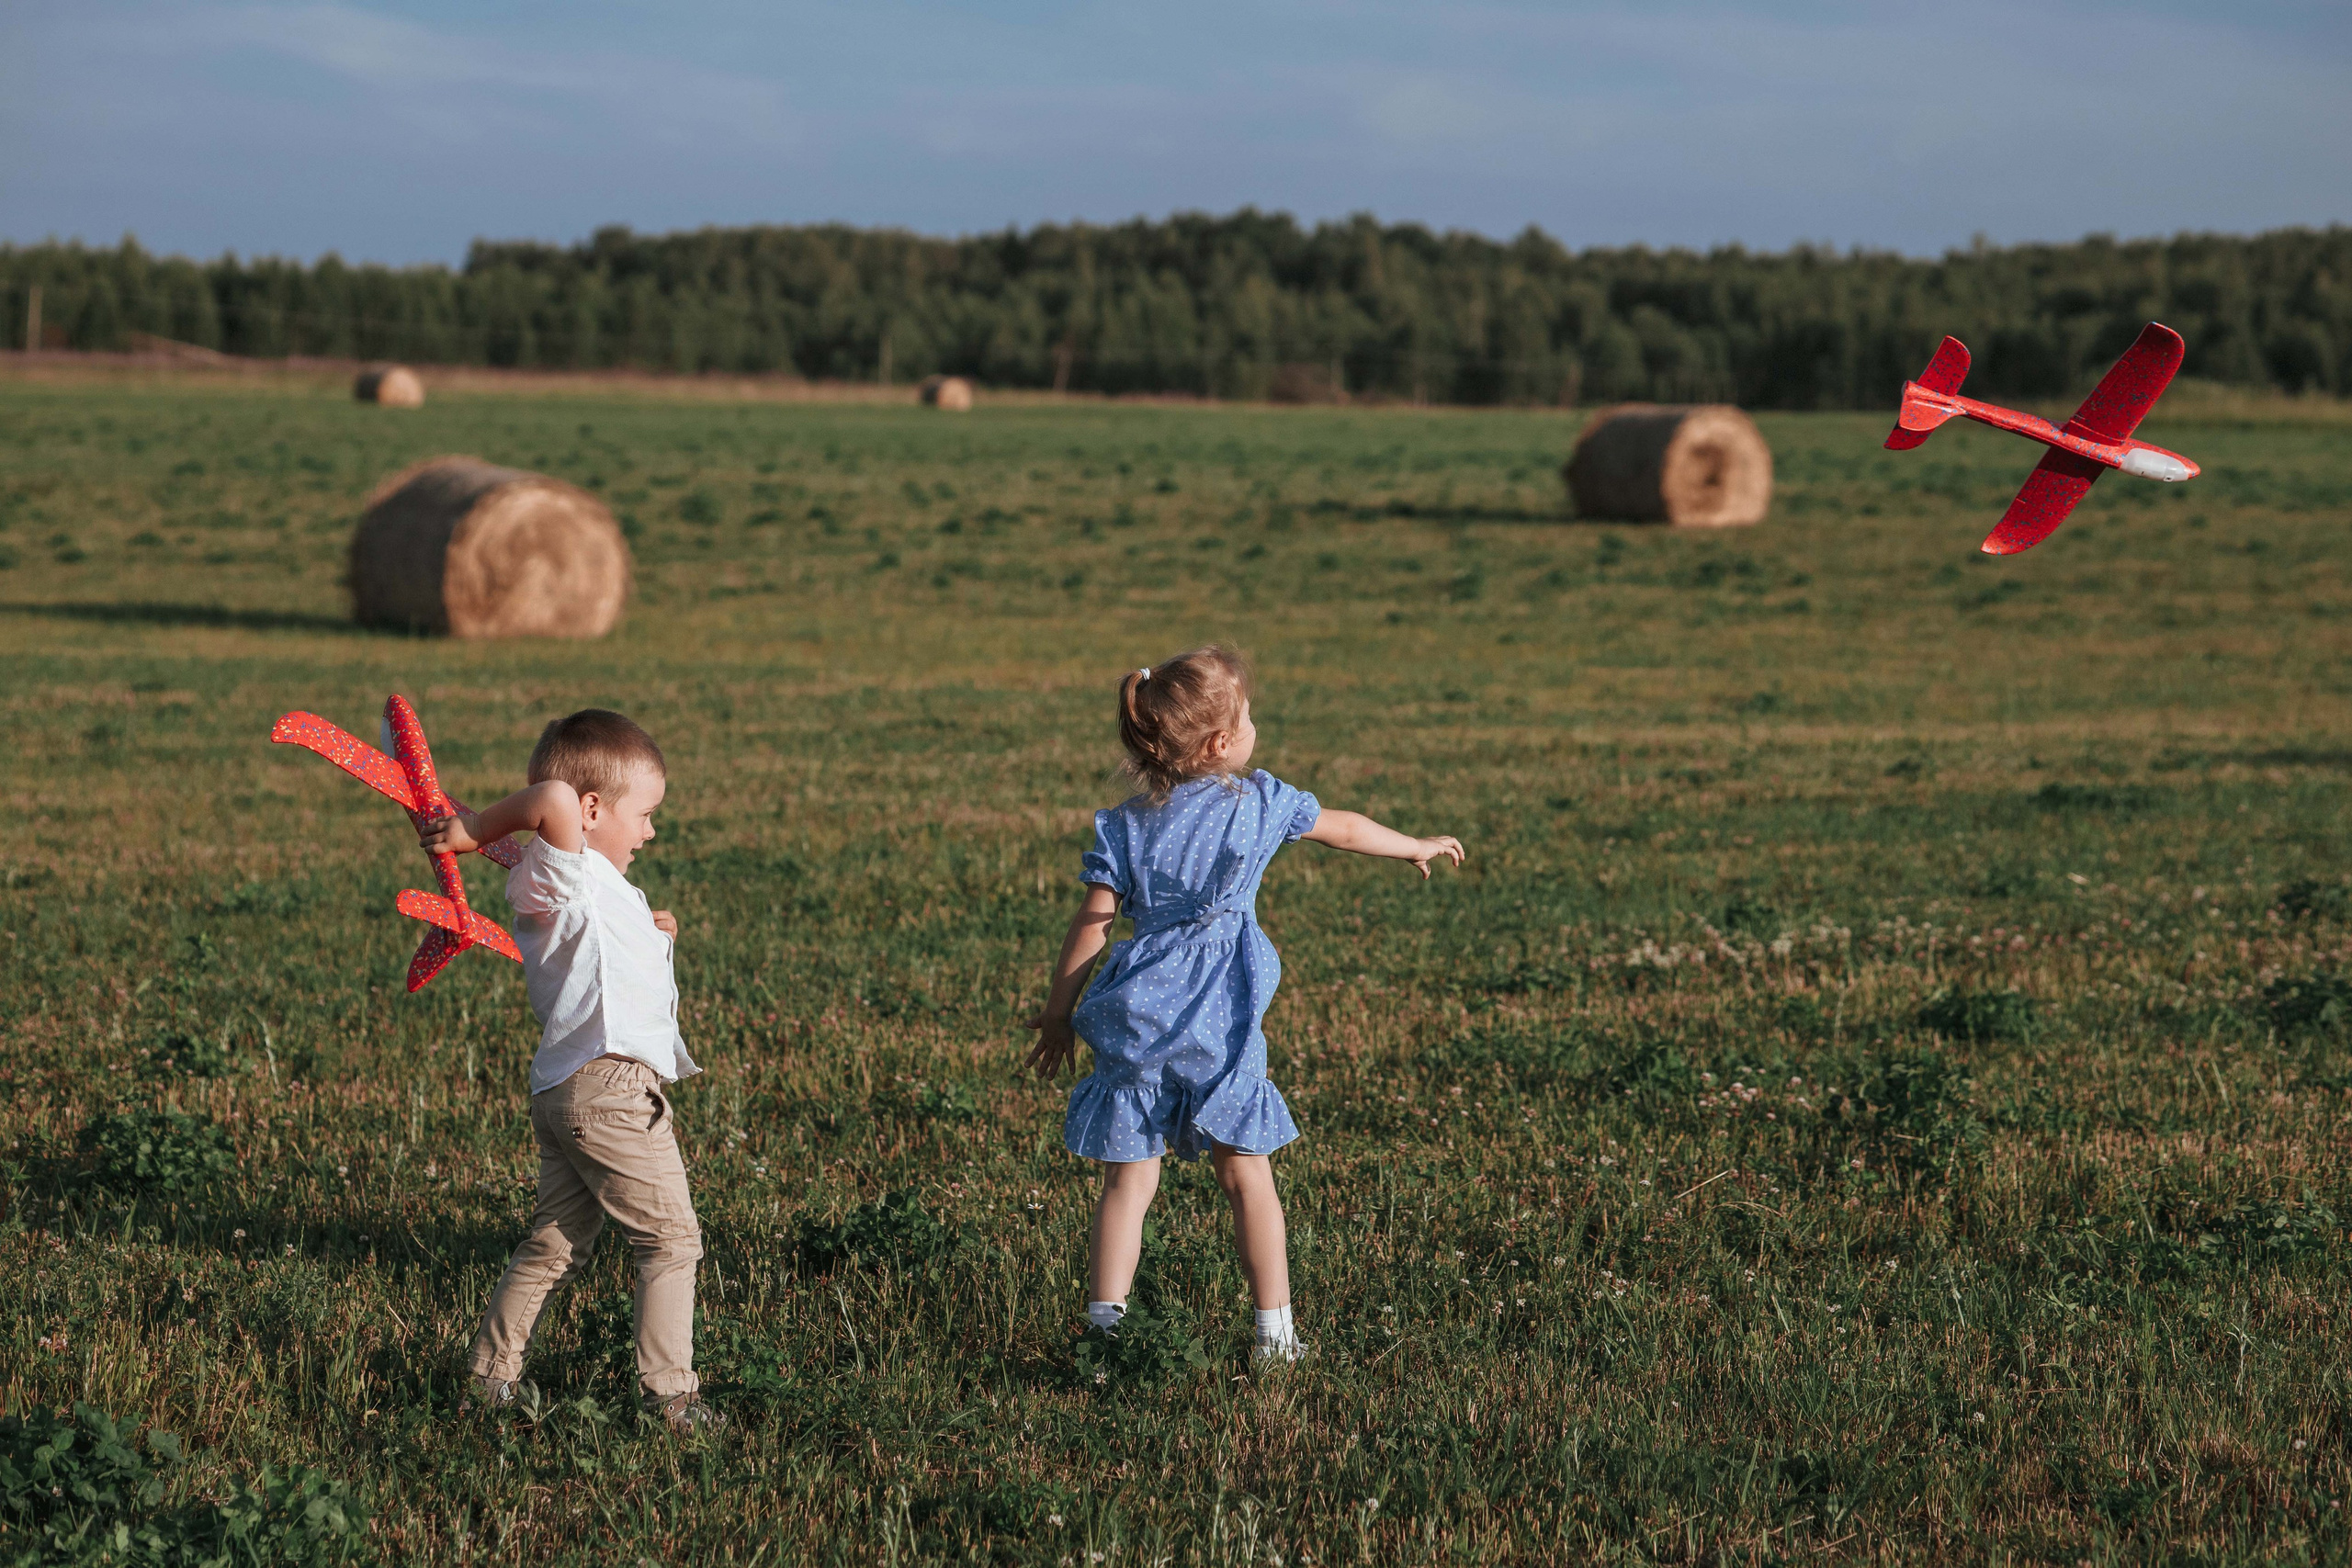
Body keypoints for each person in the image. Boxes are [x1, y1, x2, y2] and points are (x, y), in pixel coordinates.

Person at [1024, 646, 1463, 1368]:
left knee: (1128, 1179)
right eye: (1249, 715)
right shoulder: (1260, 802)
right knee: (1246, 1174)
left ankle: (1104, 1334)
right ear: (1221, 744)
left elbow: (1092, 925)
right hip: (1219, 1023)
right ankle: (1275, 1334)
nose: (1257, 725)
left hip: (1139, 1019)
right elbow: (1345, 827)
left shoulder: (1126, 825)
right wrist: (1412, 843)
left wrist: (1058, 1011)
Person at [418, 708, 722, 1433]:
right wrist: (472, 832)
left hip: (571, 1090)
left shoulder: (592, 884)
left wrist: (651, 933)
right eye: (644, 814)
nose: (650, 830)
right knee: (672, 1240)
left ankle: (488, 1378)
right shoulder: (563, 869)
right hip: (610, 1090)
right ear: (592, 812)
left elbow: (601, 962)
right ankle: (670, 1397)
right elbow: (550, 798)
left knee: (555, 1243)